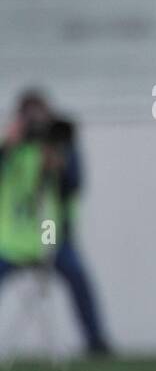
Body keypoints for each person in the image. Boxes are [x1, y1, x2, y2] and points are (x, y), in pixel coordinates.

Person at [0, 90, 111, 355]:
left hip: (49, 235)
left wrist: (58, 164)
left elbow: (72, 187)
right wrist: (9, 144)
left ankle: (96, 342)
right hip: (11, 238)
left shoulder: (60, 146)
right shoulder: (12, 147)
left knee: (77, 274)